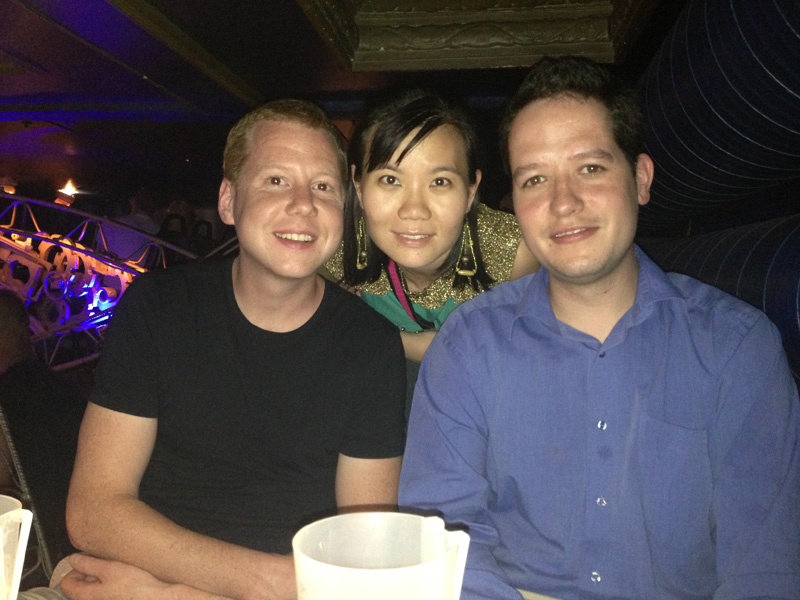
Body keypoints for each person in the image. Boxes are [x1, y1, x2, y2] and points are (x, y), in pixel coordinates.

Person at [398, 56, 800, 600]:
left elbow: (764, 568)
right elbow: (445, 539)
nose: (563, 203)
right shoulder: (468, 346)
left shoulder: (737, 348)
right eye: (535, 179)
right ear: (514, 203)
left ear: (640, 179)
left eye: (590, 168)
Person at [61, 99, 407, 600]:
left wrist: (178, 596)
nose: (303, 204)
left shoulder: (371, 346)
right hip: (151, 574)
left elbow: (362, 556)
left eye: (323, 187)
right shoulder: (159, 307)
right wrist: (267, 581)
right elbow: (93, 512)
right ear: (228, 201)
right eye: (276, 180)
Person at [325, 89, 539, 366]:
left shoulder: (515, 255)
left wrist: (396, 341)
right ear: (358, 186)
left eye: (439, 182)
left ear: (470, 191)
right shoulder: (336, 244)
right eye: (390, 180)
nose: (414, 210)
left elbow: (524, 357)